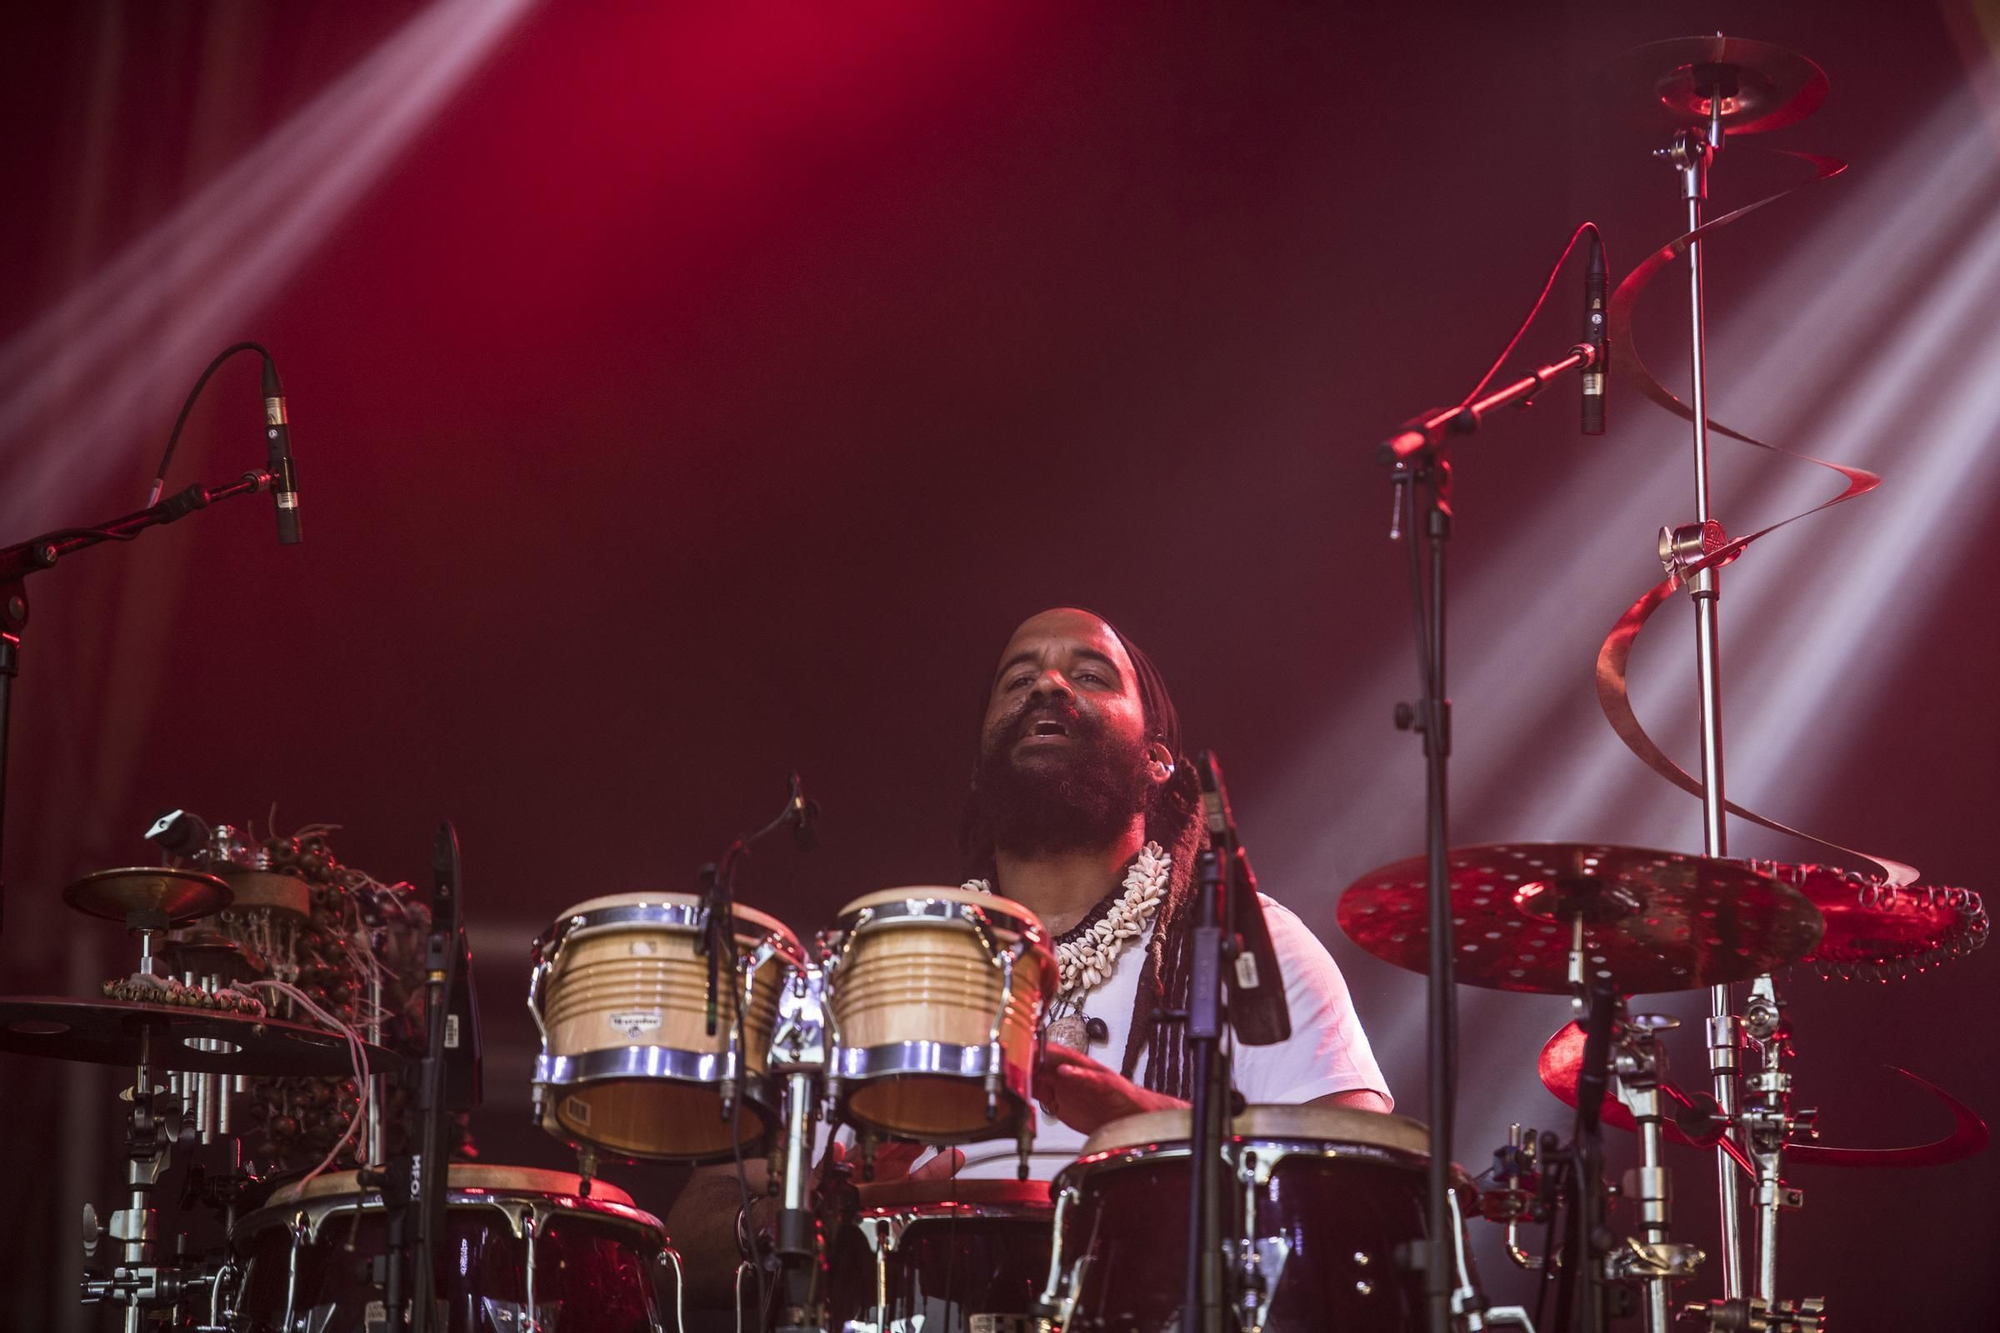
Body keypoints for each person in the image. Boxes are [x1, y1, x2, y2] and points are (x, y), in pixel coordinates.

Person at [666, 606, 1389, 1302]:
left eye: (1092, 675)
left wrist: (1144, 1125)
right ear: (981, 764)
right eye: (1019, 678)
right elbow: (692, 1230)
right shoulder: (888, 967)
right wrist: (815, 1214)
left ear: (1158, 761)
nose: (1048, 684)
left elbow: (1363, 1198)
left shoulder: (1245, 944)